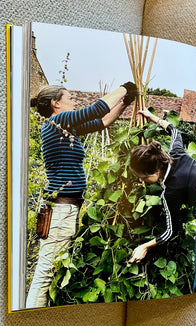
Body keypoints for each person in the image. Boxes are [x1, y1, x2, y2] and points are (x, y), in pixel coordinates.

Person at [26, 82, 138, 308]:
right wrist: (124, 88)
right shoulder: (57, 121)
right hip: (60, 213)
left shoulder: (65, 128)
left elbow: (103, 121)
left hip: (66, 211)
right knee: (45, 274)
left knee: (51, 270)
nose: (75, 101)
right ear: (56, 104)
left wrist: (125, 102)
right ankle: (31, 319)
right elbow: (97, 109)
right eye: (70, 98)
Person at [129, 109, 196, 292]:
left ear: (155, 172)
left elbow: (170, 231)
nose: (140, 181)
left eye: (142, 177)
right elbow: (174, 130)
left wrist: (145, 246)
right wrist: (154, 119)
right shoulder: (175, 152)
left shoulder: (170, 191)